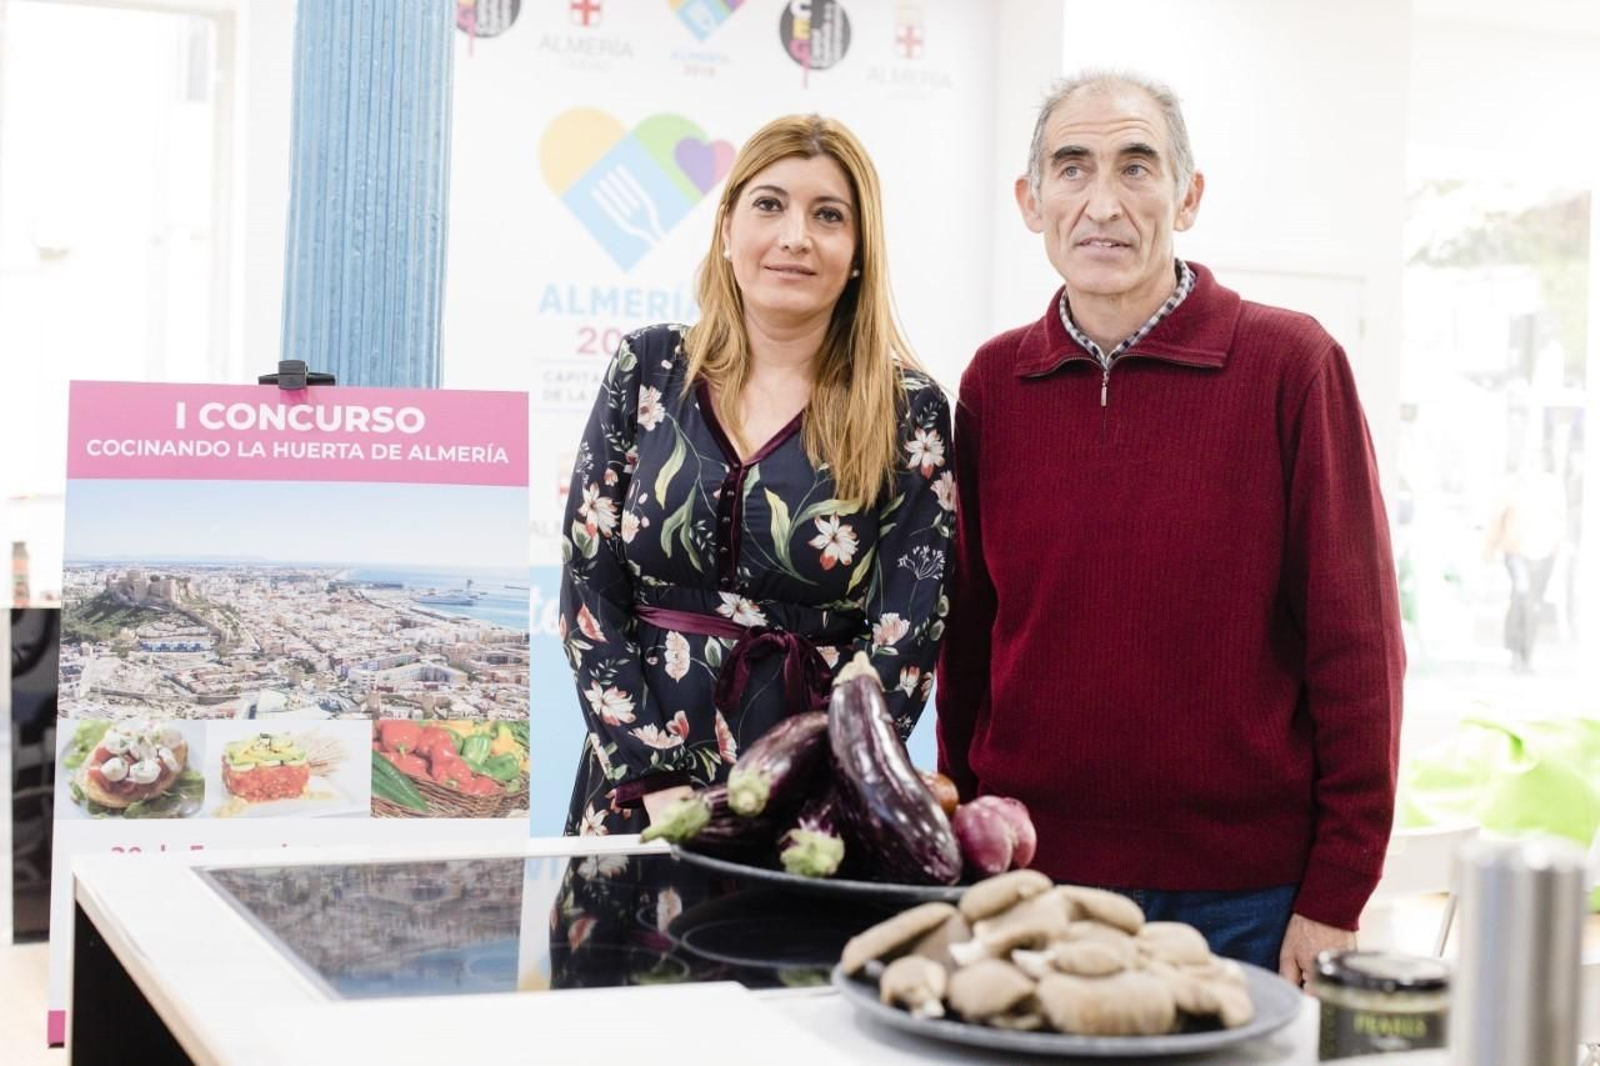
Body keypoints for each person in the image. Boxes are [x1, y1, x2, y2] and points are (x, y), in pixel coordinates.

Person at [936, 71, 1405, 985]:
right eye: (1072, 170)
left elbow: (1358, 647)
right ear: (1031, 204)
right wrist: (969, 842)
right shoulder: (994, 384)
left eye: (1136, 167)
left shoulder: (1291, 364)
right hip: (1036, 883)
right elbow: (971, 636)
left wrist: (1337, 891)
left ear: (1187, 195)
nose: (1102, 203)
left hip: (1246, 899)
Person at [560, 114, 954, 838]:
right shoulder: (647, 367)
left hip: (806, 806)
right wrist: (659, 776)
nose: (795, 236)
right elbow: (589, 591)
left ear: (860, 250)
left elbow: (908, 634)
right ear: (728, 227)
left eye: (828, 215)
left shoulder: (909, 411)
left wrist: (822, 789)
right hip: (635, 794)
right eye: (770, 204)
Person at [1484, 446, 1566, 673]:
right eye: (1528, 462)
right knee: (1521, 594)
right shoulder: (1512, 488)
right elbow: (1496, 519)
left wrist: (1558, 548)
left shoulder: (1552, 487)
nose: (1531, 468)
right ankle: (1514, 652)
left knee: (1534, 605)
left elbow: (1560, 519)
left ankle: (1526, 654)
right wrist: (1488, 551)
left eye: (1536, 462)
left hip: (1543, 554)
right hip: (1516, 552)